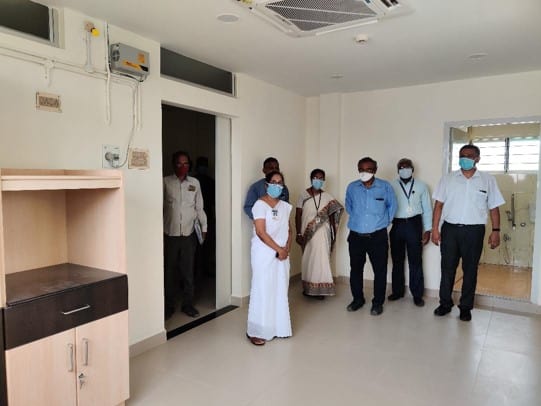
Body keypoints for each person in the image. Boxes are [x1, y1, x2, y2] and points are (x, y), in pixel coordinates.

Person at [432, 144, 504, 322]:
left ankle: (465, 307)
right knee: (447, 269)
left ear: (477, 158)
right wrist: (435, 229)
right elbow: (439, 205)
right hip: (450, 230)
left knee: (470, 270)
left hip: (474, 231)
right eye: (462, 155)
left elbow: (494, 207)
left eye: (469, 155)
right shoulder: (448, 179)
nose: (465, 158)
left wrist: (496, 231)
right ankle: (445, 304)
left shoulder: (487, 180)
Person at [345, 157, 397, 316]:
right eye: (361, 169)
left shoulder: (385, 187)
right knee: (355, 269)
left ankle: (377, 303)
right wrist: (359, 221)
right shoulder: (352, 187)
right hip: (356, 235)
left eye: (368, 169)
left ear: (375, 170)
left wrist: (383, 223)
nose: (365, 172)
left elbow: (392, 206)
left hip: (377, 236)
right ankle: (357, 299)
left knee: (380, 271)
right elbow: (349, 206)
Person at [246, 170, 292, 345]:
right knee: (262, 290)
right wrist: (278, 249)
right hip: (264, 253)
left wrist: (285, 249)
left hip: (282, 255)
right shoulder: (259, 204)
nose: (277, 185)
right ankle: (256, 331)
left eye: (280, 182)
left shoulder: (285, 206)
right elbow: (260, 232)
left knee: (280, 289)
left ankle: (279, 327)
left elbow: (289, 229)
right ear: (266, 185)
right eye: (274, 182)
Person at [163, 150, 208, 319]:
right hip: (171, 234)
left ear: (190, 165)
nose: (183, 167)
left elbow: (199, 207)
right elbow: (161, 207)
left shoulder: (195, 183)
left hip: (189, 234)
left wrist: (204, 228)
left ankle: (187, 304)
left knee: (188, 271)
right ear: (173, 164)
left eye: (186, 163)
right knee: (170, 272)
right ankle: (168, 305)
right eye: (179, 163)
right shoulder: (165, 182)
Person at [388, 158, 433, 307]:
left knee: (416, 261)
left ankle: (417, 294)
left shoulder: (421, 186)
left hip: (414, 224)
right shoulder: (391, 186)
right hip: (397, 224)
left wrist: (427, 230)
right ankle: (397, 291)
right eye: (401, 167)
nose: (404, 169)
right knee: (397, 260)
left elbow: (427, 209)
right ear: (397, 170)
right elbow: (386, 206)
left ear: (413, 169)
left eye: (407, 167)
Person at [295, 168, 344, 300]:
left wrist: (333, 231)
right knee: (308, 259)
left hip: (323, 233)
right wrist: (299, 233)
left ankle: (320, 289)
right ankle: (308, 288)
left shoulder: (327, 197)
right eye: (316, 177)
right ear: (311, 179)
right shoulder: (303, 195)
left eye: (321, 178)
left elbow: (334, 212)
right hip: (307, 232)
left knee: (321, 259)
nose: (319, 180)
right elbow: (298, 214)